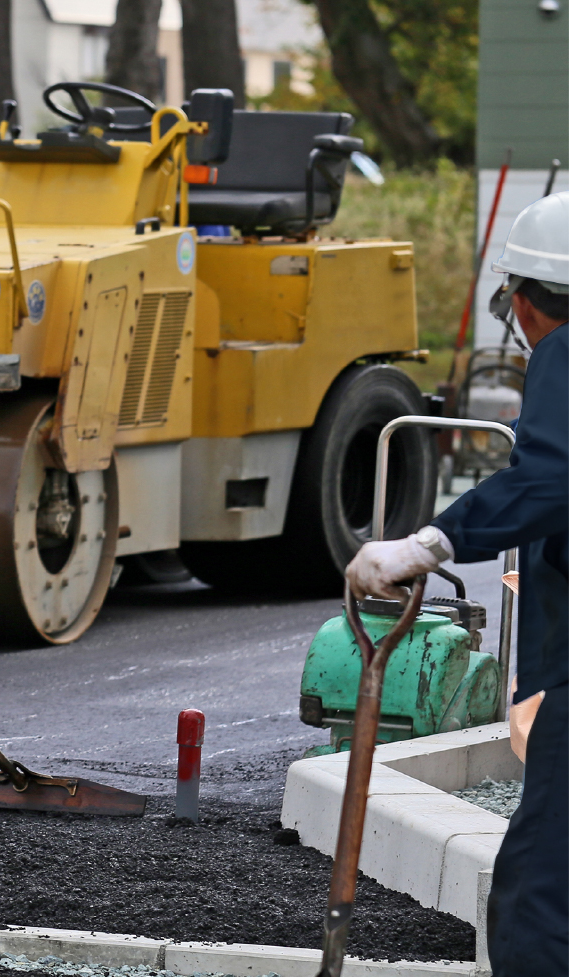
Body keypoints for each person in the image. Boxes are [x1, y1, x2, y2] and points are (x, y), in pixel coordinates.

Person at [345, 191, 568, 975]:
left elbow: (549, 479)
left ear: (526, 302)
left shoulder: (566, 352)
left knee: (542, 889)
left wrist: (430, 543)